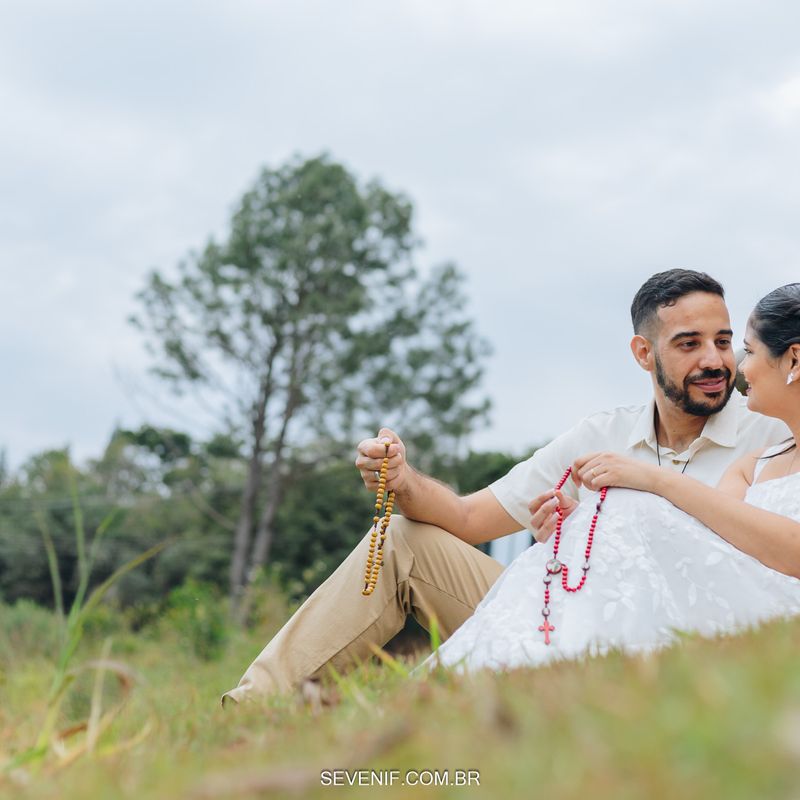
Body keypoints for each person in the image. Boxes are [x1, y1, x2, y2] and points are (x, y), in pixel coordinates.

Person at [222, 269, 788, 704]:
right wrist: (403, 480)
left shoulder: (773, 430)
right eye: (689, 344)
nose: (715, 361)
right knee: (401, 538)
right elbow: (468, 519)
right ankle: (251, 706)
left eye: (723, 342)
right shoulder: (600, 435)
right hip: (560, 614)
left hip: (691, 636)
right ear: (644, 354)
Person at [419, 283, 800, 673]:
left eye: (731, 345)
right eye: (689, 344)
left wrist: (649, 481)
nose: (729, 364)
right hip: (668, 603)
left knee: (627, 507)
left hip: (750, 620)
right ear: (644, 353)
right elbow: (711, 548)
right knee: (408, 542)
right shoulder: (754, 463)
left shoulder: (764, 428)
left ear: (794, 360)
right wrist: (587, 528)